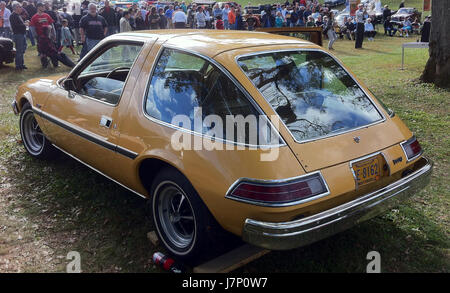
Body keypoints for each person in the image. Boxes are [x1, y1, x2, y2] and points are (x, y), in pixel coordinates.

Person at [10, 1, 27, 70]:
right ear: (15, 8)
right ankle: (18, 65)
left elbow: (20, 25)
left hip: (22, 34)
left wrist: (24, 23)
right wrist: (24, 25)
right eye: (19, 7)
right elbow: (15, 26)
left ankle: (21, 64)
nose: (21, 8)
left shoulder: (18, 15)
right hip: (18, 35)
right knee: (19, 50)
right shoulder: (13, 15)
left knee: (22, 50)